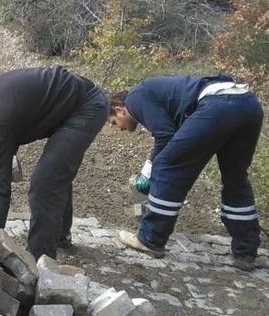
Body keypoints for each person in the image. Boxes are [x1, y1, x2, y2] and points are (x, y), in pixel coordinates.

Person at [0, 66, 108, 259]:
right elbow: (15, 115)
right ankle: (58, 235)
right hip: (70, 100)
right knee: (54, 173)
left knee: (45, 183)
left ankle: (40, 262)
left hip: (86, 108)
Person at [108, 75, 263, 270]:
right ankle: (246, 251)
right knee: (236, 179)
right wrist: (149, 166)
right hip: (248, 104)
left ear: (120, 110)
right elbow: (169, 135)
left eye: (114, 122)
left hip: (218, 105)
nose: (118, 128)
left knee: (167, 167)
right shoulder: (156, 94)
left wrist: (150, 171)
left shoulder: (135, 98)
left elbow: (165, 136)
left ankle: (150, 239)